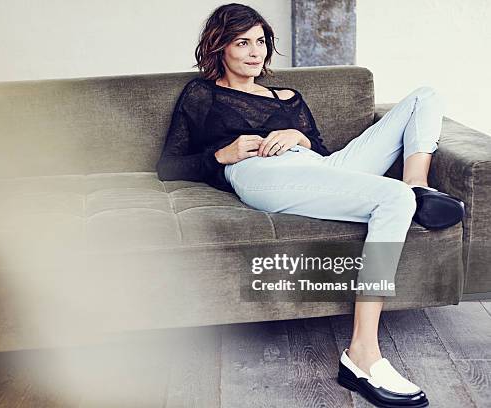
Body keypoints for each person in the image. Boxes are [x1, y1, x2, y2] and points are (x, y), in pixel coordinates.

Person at [156, 4, 464, 407]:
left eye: (262, 41)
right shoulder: (202, 94)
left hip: (314, 166)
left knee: (427, 95)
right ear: (220, 48)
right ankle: (363, 354)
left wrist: (298, 137)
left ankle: (416, 184)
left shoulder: (288, 97)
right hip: (258, 172)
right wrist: (223, 154)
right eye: (242, 42)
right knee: (392, 200)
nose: (256, 52)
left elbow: (321, 155)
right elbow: (168, 166)